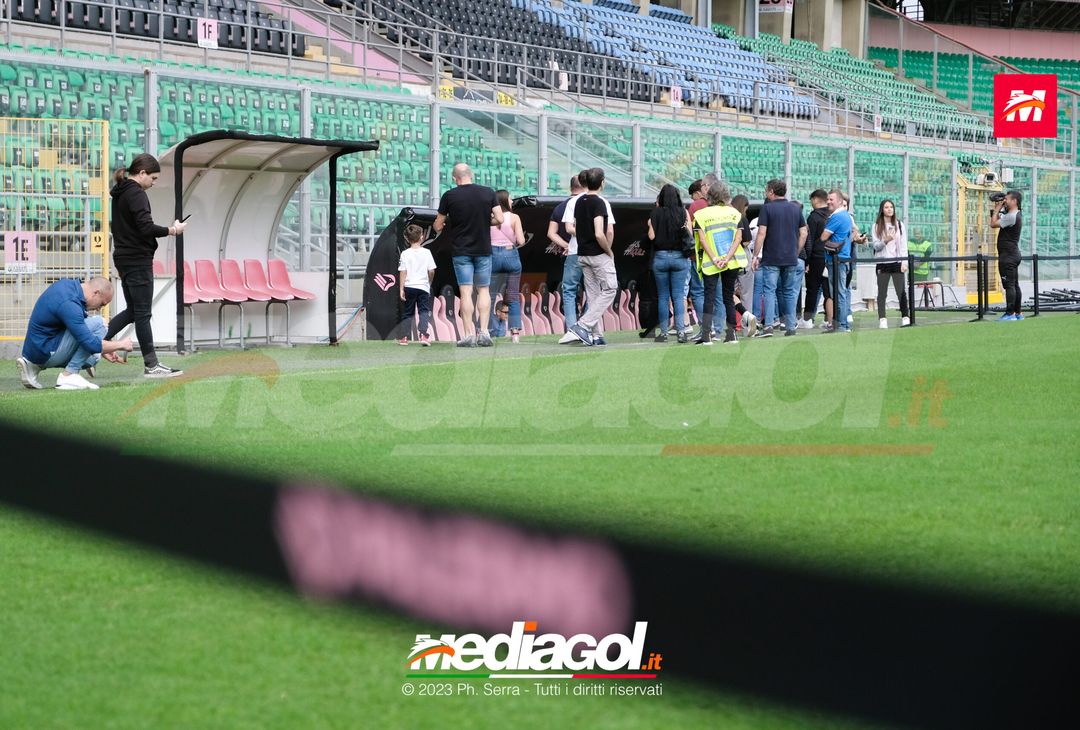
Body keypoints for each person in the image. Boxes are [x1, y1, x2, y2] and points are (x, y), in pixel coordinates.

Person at [103, 153, 187, 378]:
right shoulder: (136, 193)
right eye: (153, 178)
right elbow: (146, 227)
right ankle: (151, 365)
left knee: (133, 311)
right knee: (142, 313)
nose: (153, 183)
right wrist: (172, 230)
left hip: (123, 257)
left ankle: (95, 343)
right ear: (142, 173)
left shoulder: (120, 192)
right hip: (137, 259)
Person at [16, 277, 134, 390]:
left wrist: (104, 348)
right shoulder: (70, 303)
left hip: (35, 350)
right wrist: (121, 345)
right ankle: (69, 375)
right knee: (100, 324)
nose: (99, 309)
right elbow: (90, 344)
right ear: (96, 293)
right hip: (45, 351)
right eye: (102, 304)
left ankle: (32, 367)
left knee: (94, 358)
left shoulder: (68, 287)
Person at [434, 163, 503, 347]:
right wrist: (484, 221)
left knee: (466, 292)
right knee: (484, 290)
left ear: (454, 178)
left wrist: (446, 223)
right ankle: (485, 332)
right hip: (483, 249)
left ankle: (468, 335)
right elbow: (500, 218)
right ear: (471, 175)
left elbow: (438, 225)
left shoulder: (449, 195)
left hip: (461, 251)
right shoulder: (488, 192)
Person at [559, 173, 616, 343]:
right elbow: (601, 233)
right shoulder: (599, 202)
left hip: (582, 254)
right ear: (602, 183)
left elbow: (574, 227)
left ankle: (597, 335)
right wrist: (608, 251)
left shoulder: (577, 202)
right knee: (610, 289)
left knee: (593, 295)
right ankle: (582, 326)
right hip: (597, 253)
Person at [751, 179, 807, 338]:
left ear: (771, 192)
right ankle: (790, 326)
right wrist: (796, 251)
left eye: (766, 190)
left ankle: (769, 326)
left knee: (769, 291)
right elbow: (804, 233)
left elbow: (761, 233)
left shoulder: (767, 208)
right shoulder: (795, 209)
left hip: (772, 257)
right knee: (789, 292)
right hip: (790, 258)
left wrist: (755, 256)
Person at [695, 181, 747, 345]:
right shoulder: (735, 213)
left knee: (709, 298)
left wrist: (715, 258)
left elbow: (702, 240)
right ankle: (731, 334)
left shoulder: (700, 215)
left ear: (709, 196)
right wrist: (727, 257)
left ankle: (706, 336)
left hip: (711, 263)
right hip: (731, 261)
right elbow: (739, 238)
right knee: (728, 297)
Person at [647, 184, 692, 343]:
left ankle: (664, 333)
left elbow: (651, 236)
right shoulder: (683, 212)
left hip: (660, 257)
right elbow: (689, 235)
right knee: (679, 296)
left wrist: (651, 223)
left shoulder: (655, 213)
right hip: (679, 257)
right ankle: (681, 332)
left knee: (663, 297)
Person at [548, 176, 586, 336]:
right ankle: (586, 324)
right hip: (589, 252)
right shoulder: (590, 203)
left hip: (570, 254)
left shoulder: (560, 207)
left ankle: (573, 329)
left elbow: (551, 233)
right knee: (593, 291)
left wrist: (566, 245)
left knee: (569, 292)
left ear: (570, 187)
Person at [488, 189, 527, 343]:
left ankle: (487, 330)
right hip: (511, 255)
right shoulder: (514, 217)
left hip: (493, 255)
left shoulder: (489, 218)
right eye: (510, 199)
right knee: (513, 296)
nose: (512, 201)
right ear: (504, 200)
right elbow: (521, 241)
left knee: (489, 296)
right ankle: (515, 332)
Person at [871, 199, 910, 329]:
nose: (889, 209)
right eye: (886, 207)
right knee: (882, 293)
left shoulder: (899, 225)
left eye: (891, 207)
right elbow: (876, 246)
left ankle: (905, 316)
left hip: (897, 262)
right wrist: (885, 240)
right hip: (882, 263)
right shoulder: (876, 226)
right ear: (882, 210)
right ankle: (882, 318)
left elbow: (903, 245)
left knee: (901, 291)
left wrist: (904, 262)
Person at [821, 189, 854, 333]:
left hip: (837, 260)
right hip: (841, 259)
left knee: (838, 293)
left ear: (840, 201)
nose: (828, 202)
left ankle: (841, 325)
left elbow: (823, 237)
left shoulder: (837, 216)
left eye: (831, 199)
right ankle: (842, 324)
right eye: (828, 199)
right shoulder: (845, 215)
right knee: (840, 292)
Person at [397, 223, 436, 346]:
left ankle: (404, 337)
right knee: (423, 311)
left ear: (407, 239)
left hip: (409, 287)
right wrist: (429, 282)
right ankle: (423, 335)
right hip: (423, 287)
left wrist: (401, 288)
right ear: (422, 237)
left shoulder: (405, 253)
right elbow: (431, 271)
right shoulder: (427, 252)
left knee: (408, 312)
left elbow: (403, 272)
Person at [801, 189, 833, 330]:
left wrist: (807, 261)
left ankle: (808, 319)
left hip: (816, 257)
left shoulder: (813, 217)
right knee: (829, 291)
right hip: (830, 256)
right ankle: (828, 319)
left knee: (812, 289)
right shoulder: (832, 215)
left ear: (815, 199)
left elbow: (809, 241)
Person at [990, 190, 1024, 321]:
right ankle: (1018, 313)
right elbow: (1000, 220)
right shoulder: (1015, 214)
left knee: (1009, 285)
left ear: (1014, 201)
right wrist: (999, 209)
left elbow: (993, 224)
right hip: (1013, 254)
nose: (1005, 201)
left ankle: (1010, 314)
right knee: (1014, 284)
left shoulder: (1011, 216)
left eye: (1007, 199)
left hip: (1008, 256)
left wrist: (996, 209)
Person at [731, 194, 759, 337]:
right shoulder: (742, 218)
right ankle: (748, 325)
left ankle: (728, 326)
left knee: (727, 293)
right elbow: (747, 241)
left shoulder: (726, 218)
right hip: (743, 260)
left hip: (727, 259)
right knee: (746, 294)